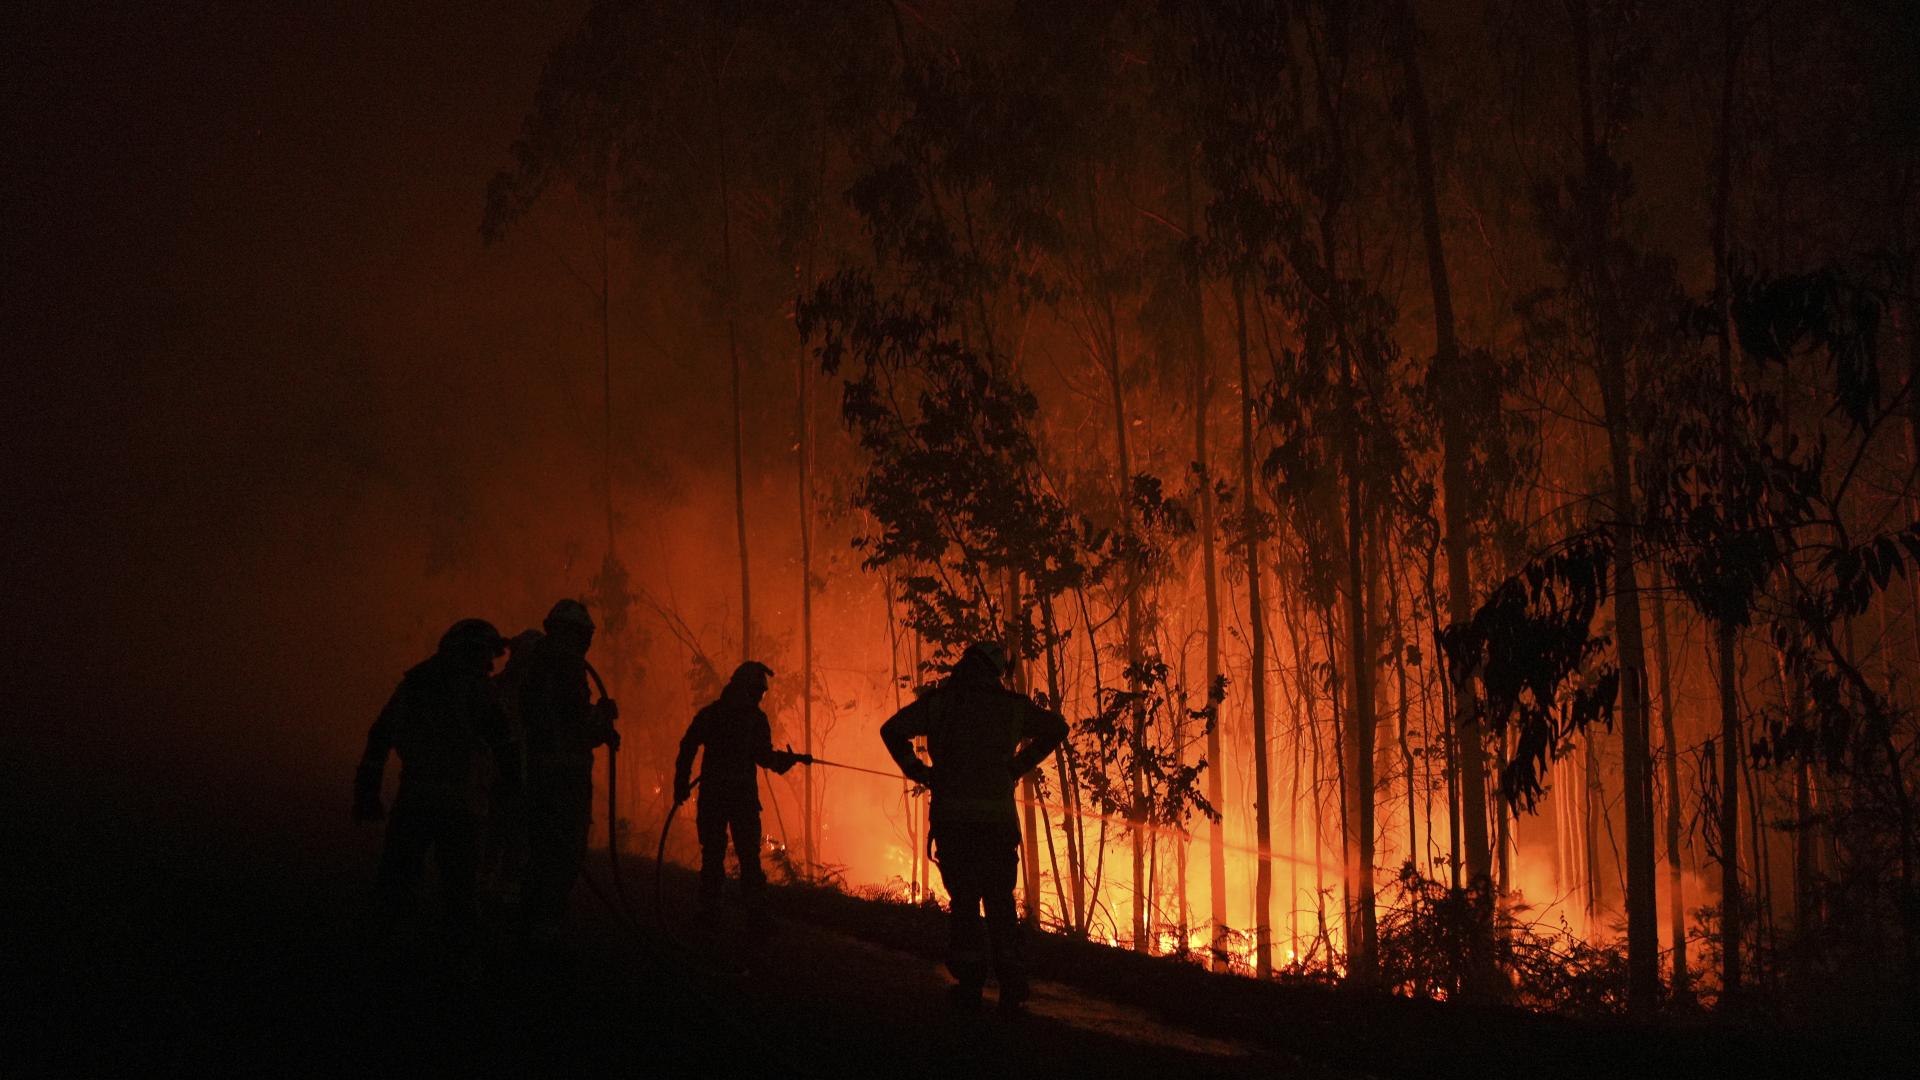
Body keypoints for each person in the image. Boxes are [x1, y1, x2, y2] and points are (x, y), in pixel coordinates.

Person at [879, 641, 1067, 1013]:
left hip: (953, 824)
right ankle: (1011, 981)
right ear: (997, 671)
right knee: (999, 903)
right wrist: (1016, 766)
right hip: (996, 826)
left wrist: (918, 771)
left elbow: (892, 730)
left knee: (964, 902)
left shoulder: (940, 704)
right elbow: (1056, 728)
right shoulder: (1010, 708)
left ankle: (969, 981)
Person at [354, 618, 517, 950]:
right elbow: (503, 743)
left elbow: (380, 735)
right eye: (487, 655)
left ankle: (385, 952)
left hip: (415, 800)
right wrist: (516, 788)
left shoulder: (417, 683)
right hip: (461, 807)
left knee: (397, 884)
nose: (490, 665)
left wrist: (367, 792)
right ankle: (456, 968)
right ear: (472, 651)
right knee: (460, 894)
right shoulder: (477, 691)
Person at [519, 600, 619, 940]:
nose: (588, 642)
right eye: (584, 634)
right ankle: (544, 924)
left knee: (545, 847)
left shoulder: (543, 664)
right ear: (569, 631)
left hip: (545, 772)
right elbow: (573, 726)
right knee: (561, 849)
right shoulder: (562, 667)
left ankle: (535, 918)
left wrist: (600, 724)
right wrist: (602, 719)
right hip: (561, 778)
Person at [672, 661, 799, 922]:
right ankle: (754, 913)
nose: (760, 698)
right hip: (741, 798)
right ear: (748, 689)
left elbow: (688, 745)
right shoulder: (754, 719)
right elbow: (763, 757)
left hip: (713, 796)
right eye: (758, 692)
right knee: (748, 857)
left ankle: (710, 910)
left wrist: (681, 782)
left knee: (713, 853)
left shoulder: (713, 714)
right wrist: (783, 762)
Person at [479, 628, 542, 908]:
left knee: (517, 838)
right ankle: (481, 889)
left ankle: (505, 894)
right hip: (496, 779)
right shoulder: (495, 690)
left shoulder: (539, 693)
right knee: (492, 834)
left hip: (522, 779)